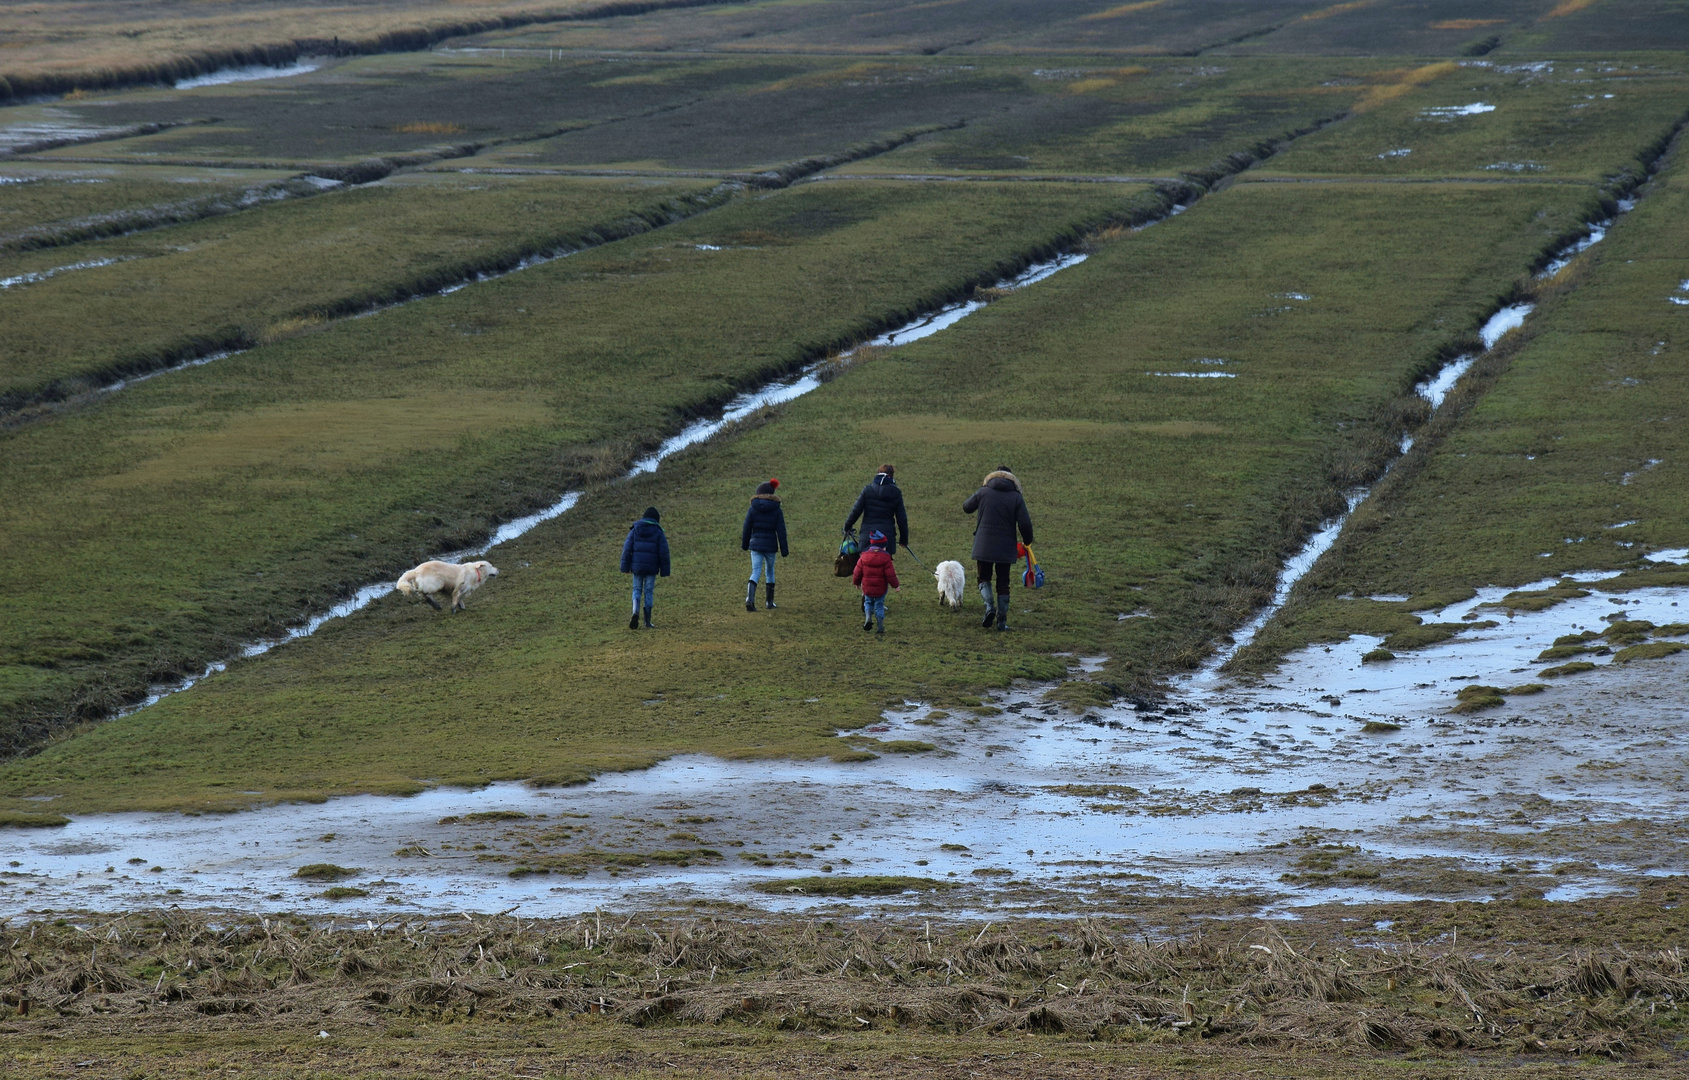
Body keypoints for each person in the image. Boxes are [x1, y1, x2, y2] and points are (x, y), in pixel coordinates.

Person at [962, 466, 1033, 631]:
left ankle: (989, 608)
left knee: (983, 577)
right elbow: (1025, 523)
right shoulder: (1016, 497)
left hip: (984, 544)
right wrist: (1027, 541)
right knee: (1003, 583)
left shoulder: (983, 492)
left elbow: (966, 507)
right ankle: (1001, 622)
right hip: (1005, 546)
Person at [619, 506, 670, 629]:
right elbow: (664, 552)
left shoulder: (635, 530)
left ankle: (635, 611)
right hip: (651, 568)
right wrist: (665, 570)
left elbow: (627, 549)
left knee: (636, 590)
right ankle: (647, 621)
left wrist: (625, 567)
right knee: (648, 591)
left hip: (637, 566)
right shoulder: (658, 532)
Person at [741, 477, 787, 611]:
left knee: (755, 571)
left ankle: (750, 599)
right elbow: (781, 530)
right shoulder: (776, 509)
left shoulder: (753, 508)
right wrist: (784, 549)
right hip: (770, 545)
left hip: (755, 544)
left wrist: (745, 544)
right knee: (770, 571)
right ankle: (769, 602)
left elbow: (747, 527)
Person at [844, 464, 908, 557]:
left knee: (866, 568)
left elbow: (856, 511)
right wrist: (903, 540)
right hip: (886, 539)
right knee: (884, 568)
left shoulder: (868, 490)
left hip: (867, 538)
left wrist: (847, 527)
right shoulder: (896, 492)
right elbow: (902, 519)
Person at [852, 531, 900, 635]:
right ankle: (880, 624)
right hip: (880, 588)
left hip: (867, 588)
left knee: (868, 602)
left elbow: (857, 571)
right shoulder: (886, 558)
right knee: (879, 604)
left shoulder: (864, 556)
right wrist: (896, 586)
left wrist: (856, 582)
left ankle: (868, 617)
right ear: (883, 547)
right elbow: (891, 574)